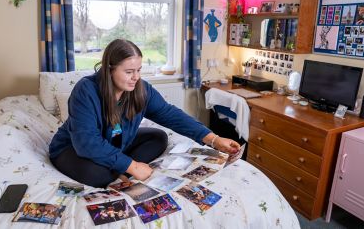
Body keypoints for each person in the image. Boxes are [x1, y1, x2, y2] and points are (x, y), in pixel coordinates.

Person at [49, 39, 240, 188]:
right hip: (72, 148)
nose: (136, 77)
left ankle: (116, 163)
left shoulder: (140, 88)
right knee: (98, 175)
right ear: (109, 70)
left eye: (139, 70)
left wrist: (213, 139)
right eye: (129, 71)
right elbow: (86, 144)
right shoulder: (86, 90)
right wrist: (133, 167)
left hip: (115, 142)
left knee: (158, 138)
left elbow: (170, 114)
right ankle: (118, 168)